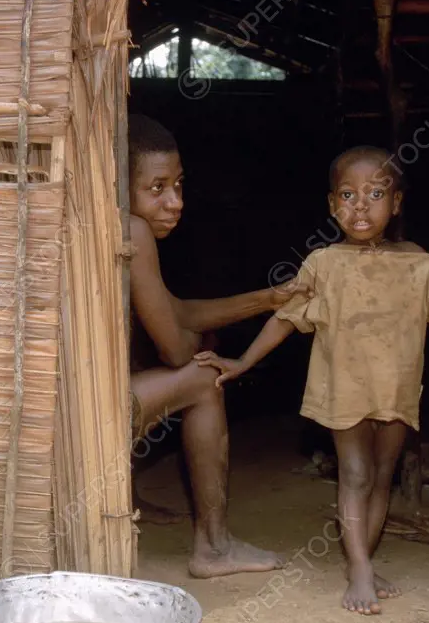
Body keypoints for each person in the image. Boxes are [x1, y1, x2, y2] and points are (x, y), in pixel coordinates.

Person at [194, 145, 429, 612]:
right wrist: (243, 361)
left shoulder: (418, 263)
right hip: (343, 388)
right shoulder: (324, 263)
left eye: (375, 193)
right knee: (357, 473)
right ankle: (360, 567)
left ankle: (362, 558)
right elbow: (286, 317)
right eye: (348, 194)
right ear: (331, 204)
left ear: (397, 202)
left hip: (396, 389)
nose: (360, 206)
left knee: (382, 474)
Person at [126, 114, 311, 578]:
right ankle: (214, 546)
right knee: (206, 378)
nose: (175, 203)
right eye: (157, 188)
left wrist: (268, 299)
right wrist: (197, 344)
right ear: (118, 184)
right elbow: (174, 348)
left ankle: (122, 499)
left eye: (179, 185)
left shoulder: (105, 227)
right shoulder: (133, 231)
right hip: (82, 417)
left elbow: (178, 311)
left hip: (62, 409)